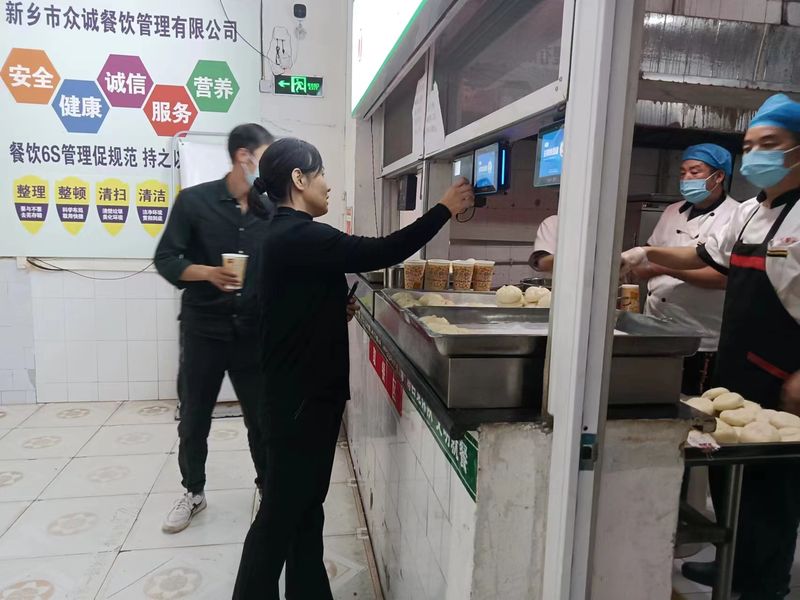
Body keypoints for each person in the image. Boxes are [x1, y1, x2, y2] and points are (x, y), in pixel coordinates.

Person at [232, 138, 475, 599]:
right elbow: (384, 250)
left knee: (305, 510)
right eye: (321, 173)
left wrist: (328, 311)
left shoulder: (279, 235)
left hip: (296, 396)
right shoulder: (300, 235)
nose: (328, 184)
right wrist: (444, 207)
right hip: (301, 402)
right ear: (299, 179)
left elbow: (282, 307)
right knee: (280, 517)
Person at [622, 93, 800, 598]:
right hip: (736, 360)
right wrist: (646, 251)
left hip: (784, 370)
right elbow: (704, 256)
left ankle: (765, 582)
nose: (756, 154)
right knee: (731, 475)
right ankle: (736, 563)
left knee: (774, 484)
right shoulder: (750, 212)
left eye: (771, 143)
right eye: (750, 145)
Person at [154, 123, 274, 534]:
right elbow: (166, 259)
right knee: (194, 417)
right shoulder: (194, 202)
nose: (269, 168)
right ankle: (193, 492)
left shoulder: (268, 211)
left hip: (252, 333)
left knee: (261, 418)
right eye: (266, 158)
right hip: (203, 330)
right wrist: (207, 272)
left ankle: (268, 489)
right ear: (244, 156)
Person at [634, 143, 738, 395]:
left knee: (693, 401)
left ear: (719, 176)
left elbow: (722, 278)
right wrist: (640, 262)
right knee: (653, 395)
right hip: (656, 326)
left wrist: (662, 267)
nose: (686, 178)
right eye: (682, 173)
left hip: (700, 334)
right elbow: (650, 250)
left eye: (695, 171)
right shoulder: (673, 211)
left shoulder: (735, 216)